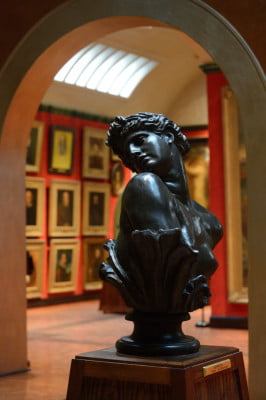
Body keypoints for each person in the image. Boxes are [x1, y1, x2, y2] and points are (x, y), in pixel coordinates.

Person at [106, 112, 223, 272]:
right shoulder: (144, 185)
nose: (133, 152)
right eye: (128, 153)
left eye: (139, 141)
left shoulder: (210, 222)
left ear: (168, 136)